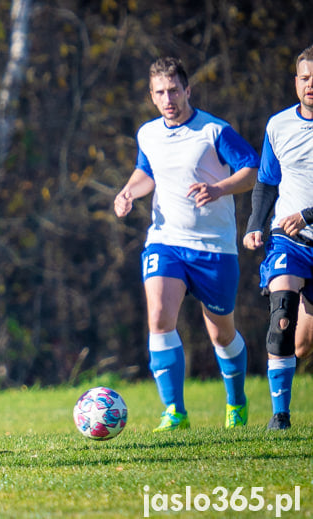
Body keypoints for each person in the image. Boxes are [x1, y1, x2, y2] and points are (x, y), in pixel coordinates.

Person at [114, 57, 259, 432]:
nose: (168, 99)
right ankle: (175, 412)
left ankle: (237, 401)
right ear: (151, 96)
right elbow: (148, 171)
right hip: (166, 241)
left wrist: (218, 188)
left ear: (187, 90)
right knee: (160, 317)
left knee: (220, 334)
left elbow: (252, 169)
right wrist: (129, 192)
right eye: (160, 92)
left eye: (174, 90)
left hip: (214, 247)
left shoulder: (214, 131)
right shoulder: (148, 133)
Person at [243, 44, 313, 430]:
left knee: (303, 346)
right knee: (281, 316)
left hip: (304, 224)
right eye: (305, 78)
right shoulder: (278, 125)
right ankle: (279, 418)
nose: (311, 86)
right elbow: (267, 183)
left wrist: (306, 214)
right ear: (296, 82)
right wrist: (255, 223)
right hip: (288, 242)